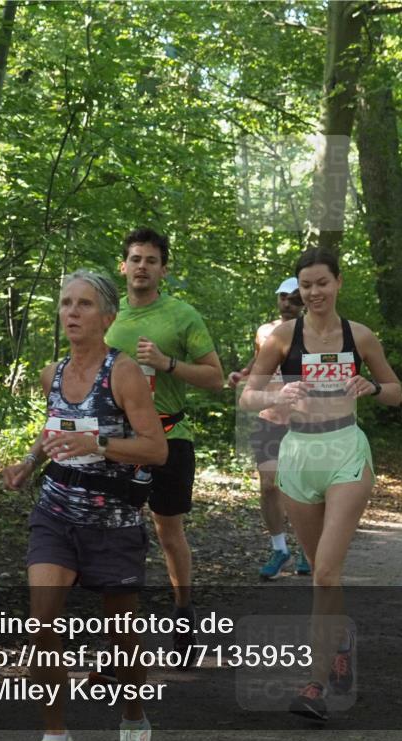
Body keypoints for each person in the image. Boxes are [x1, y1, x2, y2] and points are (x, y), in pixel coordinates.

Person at [2, 270, 168, 741]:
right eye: (66, 303)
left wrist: (95, 441)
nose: (71, 312)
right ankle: (56, 735)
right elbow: (54, 426)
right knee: (42, 622)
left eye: (84, 304)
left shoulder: (123, 373)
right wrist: (29, 463)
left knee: (121, 636)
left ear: (108, 316)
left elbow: (155, 449)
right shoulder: (51, 373)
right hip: (55, 512)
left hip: (112, 521)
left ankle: (134, 718)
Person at [239, 248, 401, 721]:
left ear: (338, 283)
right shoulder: (282, 338)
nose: (313, 293)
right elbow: (248, 394)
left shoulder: (361, 336)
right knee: (319, 576)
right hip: (298, 455)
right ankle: (342, 641)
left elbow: (396, 390)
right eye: (305, 286)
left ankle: (315, 685)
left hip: (345, 450)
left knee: (327, 571)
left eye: (321, 283)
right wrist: (277, 394)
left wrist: (373, 387)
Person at [105, 228, 224, 654]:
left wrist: (167, 363)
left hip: (171, 436)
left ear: (163, 270)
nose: (142, 267)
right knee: (114, 530)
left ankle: (183, 609)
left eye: (151, 261)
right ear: (123, 266)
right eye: (135, 259)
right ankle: (121, 629)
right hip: (116, 441)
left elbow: (215, 377)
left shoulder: (181, 316)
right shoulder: (106, 315)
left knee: (168, 530)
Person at [227, 277, 311, 579]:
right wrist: (244, 373)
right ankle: (279, 548)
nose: (287, 303)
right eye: (282, 297)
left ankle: (306, 546)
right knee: (269, 485)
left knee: (302, 487)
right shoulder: (265, 331)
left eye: (293, 298)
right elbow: (260, 360)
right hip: (269, 416)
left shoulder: (312, 333)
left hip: (303, 420)